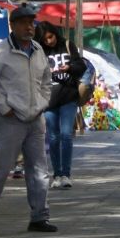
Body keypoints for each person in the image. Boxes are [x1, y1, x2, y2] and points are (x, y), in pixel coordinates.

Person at [0, 5, 56, 232]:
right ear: (13, 25)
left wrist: (42, 103)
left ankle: (39, 216)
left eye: (32, 23)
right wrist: (3, 106)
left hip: (35, 118)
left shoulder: (38, 50)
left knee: (39, 169)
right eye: (24, 23)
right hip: (9, 119)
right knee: (1, 168)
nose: (29, 27)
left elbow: (46, 82)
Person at [36, 21, 87, 189]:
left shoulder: (67, 44)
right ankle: (57, 174)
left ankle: (66, 173)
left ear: (54, 33)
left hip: (68, 96)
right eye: (45, 39)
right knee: (52, 137)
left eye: (50, 37)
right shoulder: (39, 52)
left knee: (66, 134)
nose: (49, 41)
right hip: (49, 99)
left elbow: (81, 65)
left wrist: (69, 67)